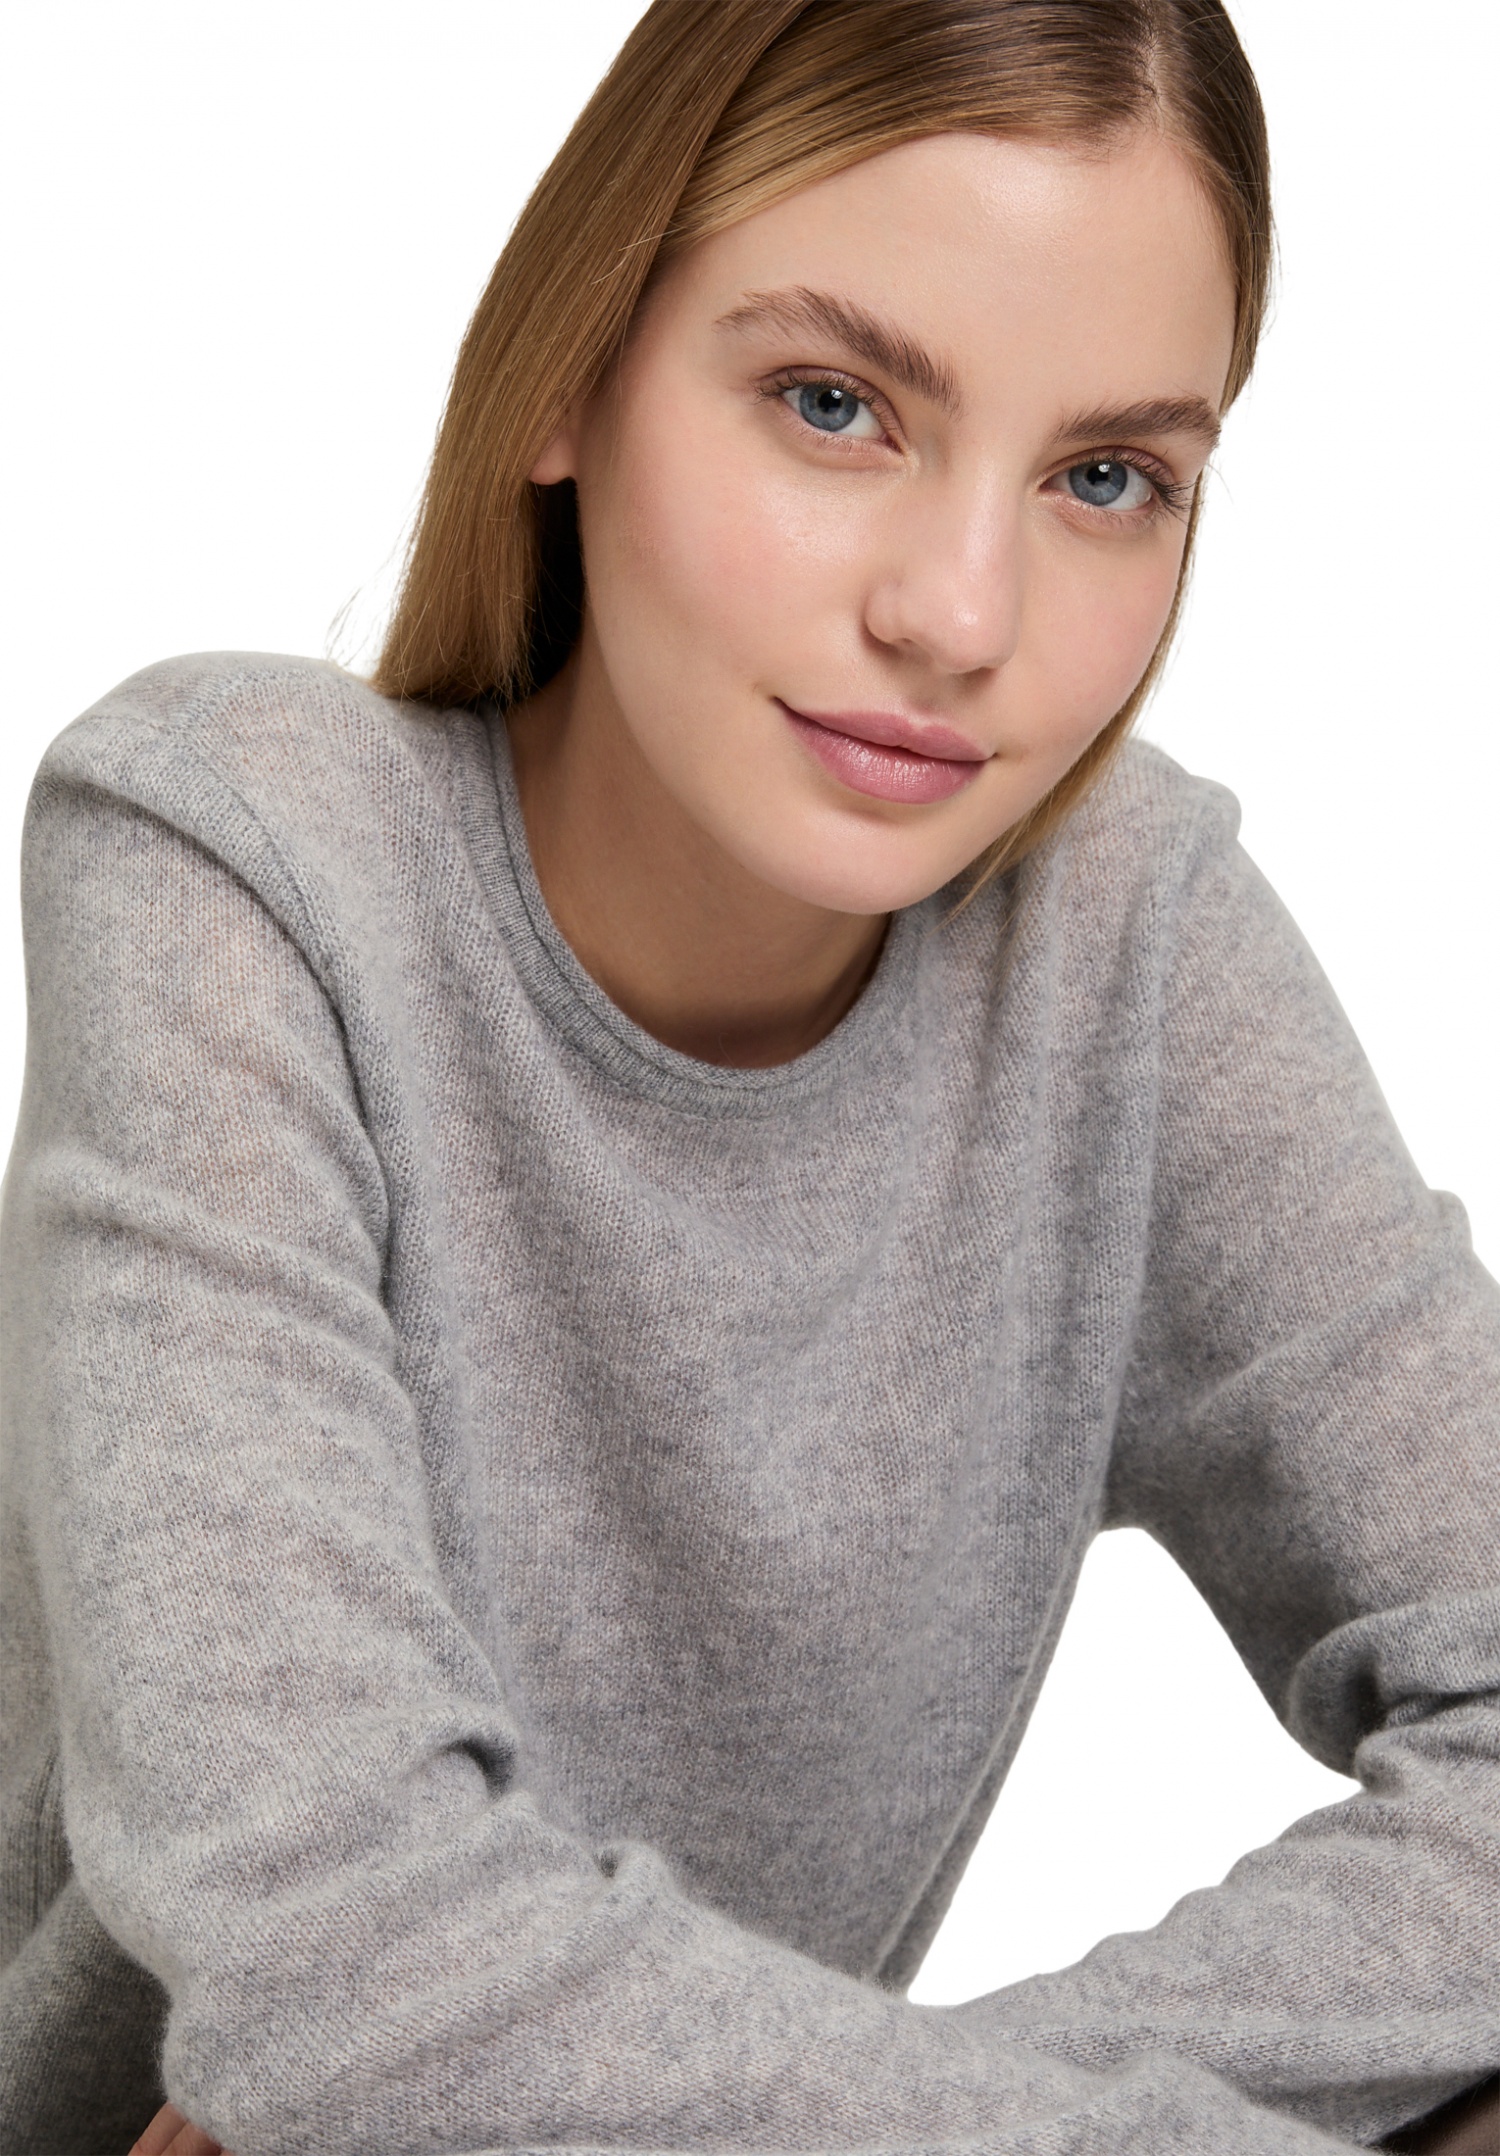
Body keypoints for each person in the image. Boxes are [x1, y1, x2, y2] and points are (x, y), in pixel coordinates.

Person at [1, 2, 1496, 2151]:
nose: (960, 616)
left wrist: (977, 2111)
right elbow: (334, 1942)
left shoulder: (1126, 941)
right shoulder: (237, 850)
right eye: (834, 405)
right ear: (570, 375)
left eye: (1106, 479)